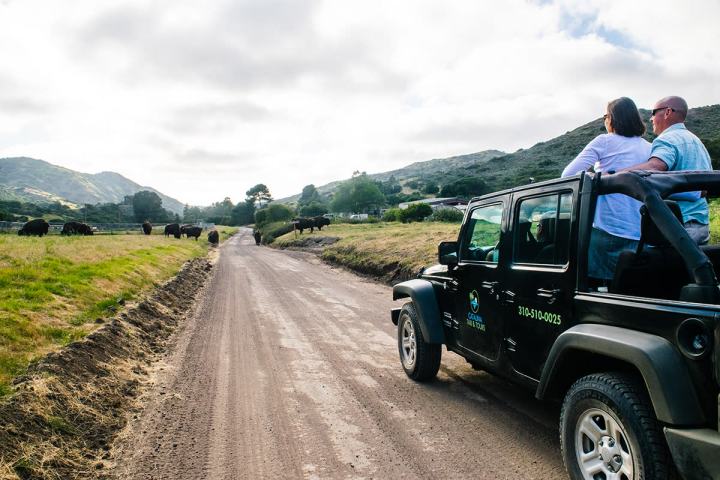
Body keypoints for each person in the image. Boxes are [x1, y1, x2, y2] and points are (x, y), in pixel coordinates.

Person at [562, 97, 650, 281]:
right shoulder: (649, 148)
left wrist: (596, 176)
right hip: (641, 232)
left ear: (612, 118)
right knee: (631, 289)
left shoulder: (604, 141)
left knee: (598, 289)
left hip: (607, 229)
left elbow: (568, 175)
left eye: (605, 116)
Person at [624, 96, 712, 244]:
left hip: (679, 227)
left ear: (667, 112)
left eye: (653, 112)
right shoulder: (697, 142)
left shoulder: (667, 139)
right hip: (701, 225)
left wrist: (616, 175)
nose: (651, 119)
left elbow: (655, 167)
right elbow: (705, 188)